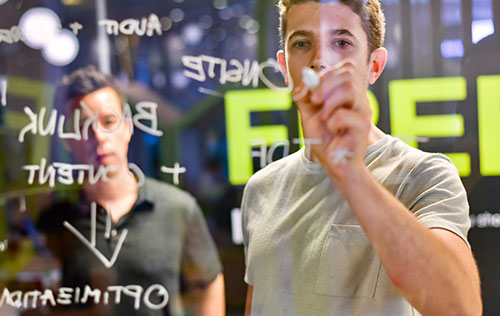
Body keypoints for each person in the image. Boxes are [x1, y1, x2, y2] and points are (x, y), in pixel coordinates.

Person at [241, 1, 482, 315]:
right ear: (285, 68)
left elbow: (459, 308)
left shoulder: (423, 175)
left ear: (374, 66)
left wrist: (351, 174)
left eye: (341, 43)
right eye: (303, 44)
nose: (320, 61)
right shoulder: (261, 188)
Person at [37, 66, 225, 316]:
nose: (99, 137)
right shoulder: (57, 221)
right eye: (84, 126)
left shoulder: (177, 208)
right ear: (68, 139)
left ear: (127, 127)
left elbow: (208, 284)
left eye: (108, 122)